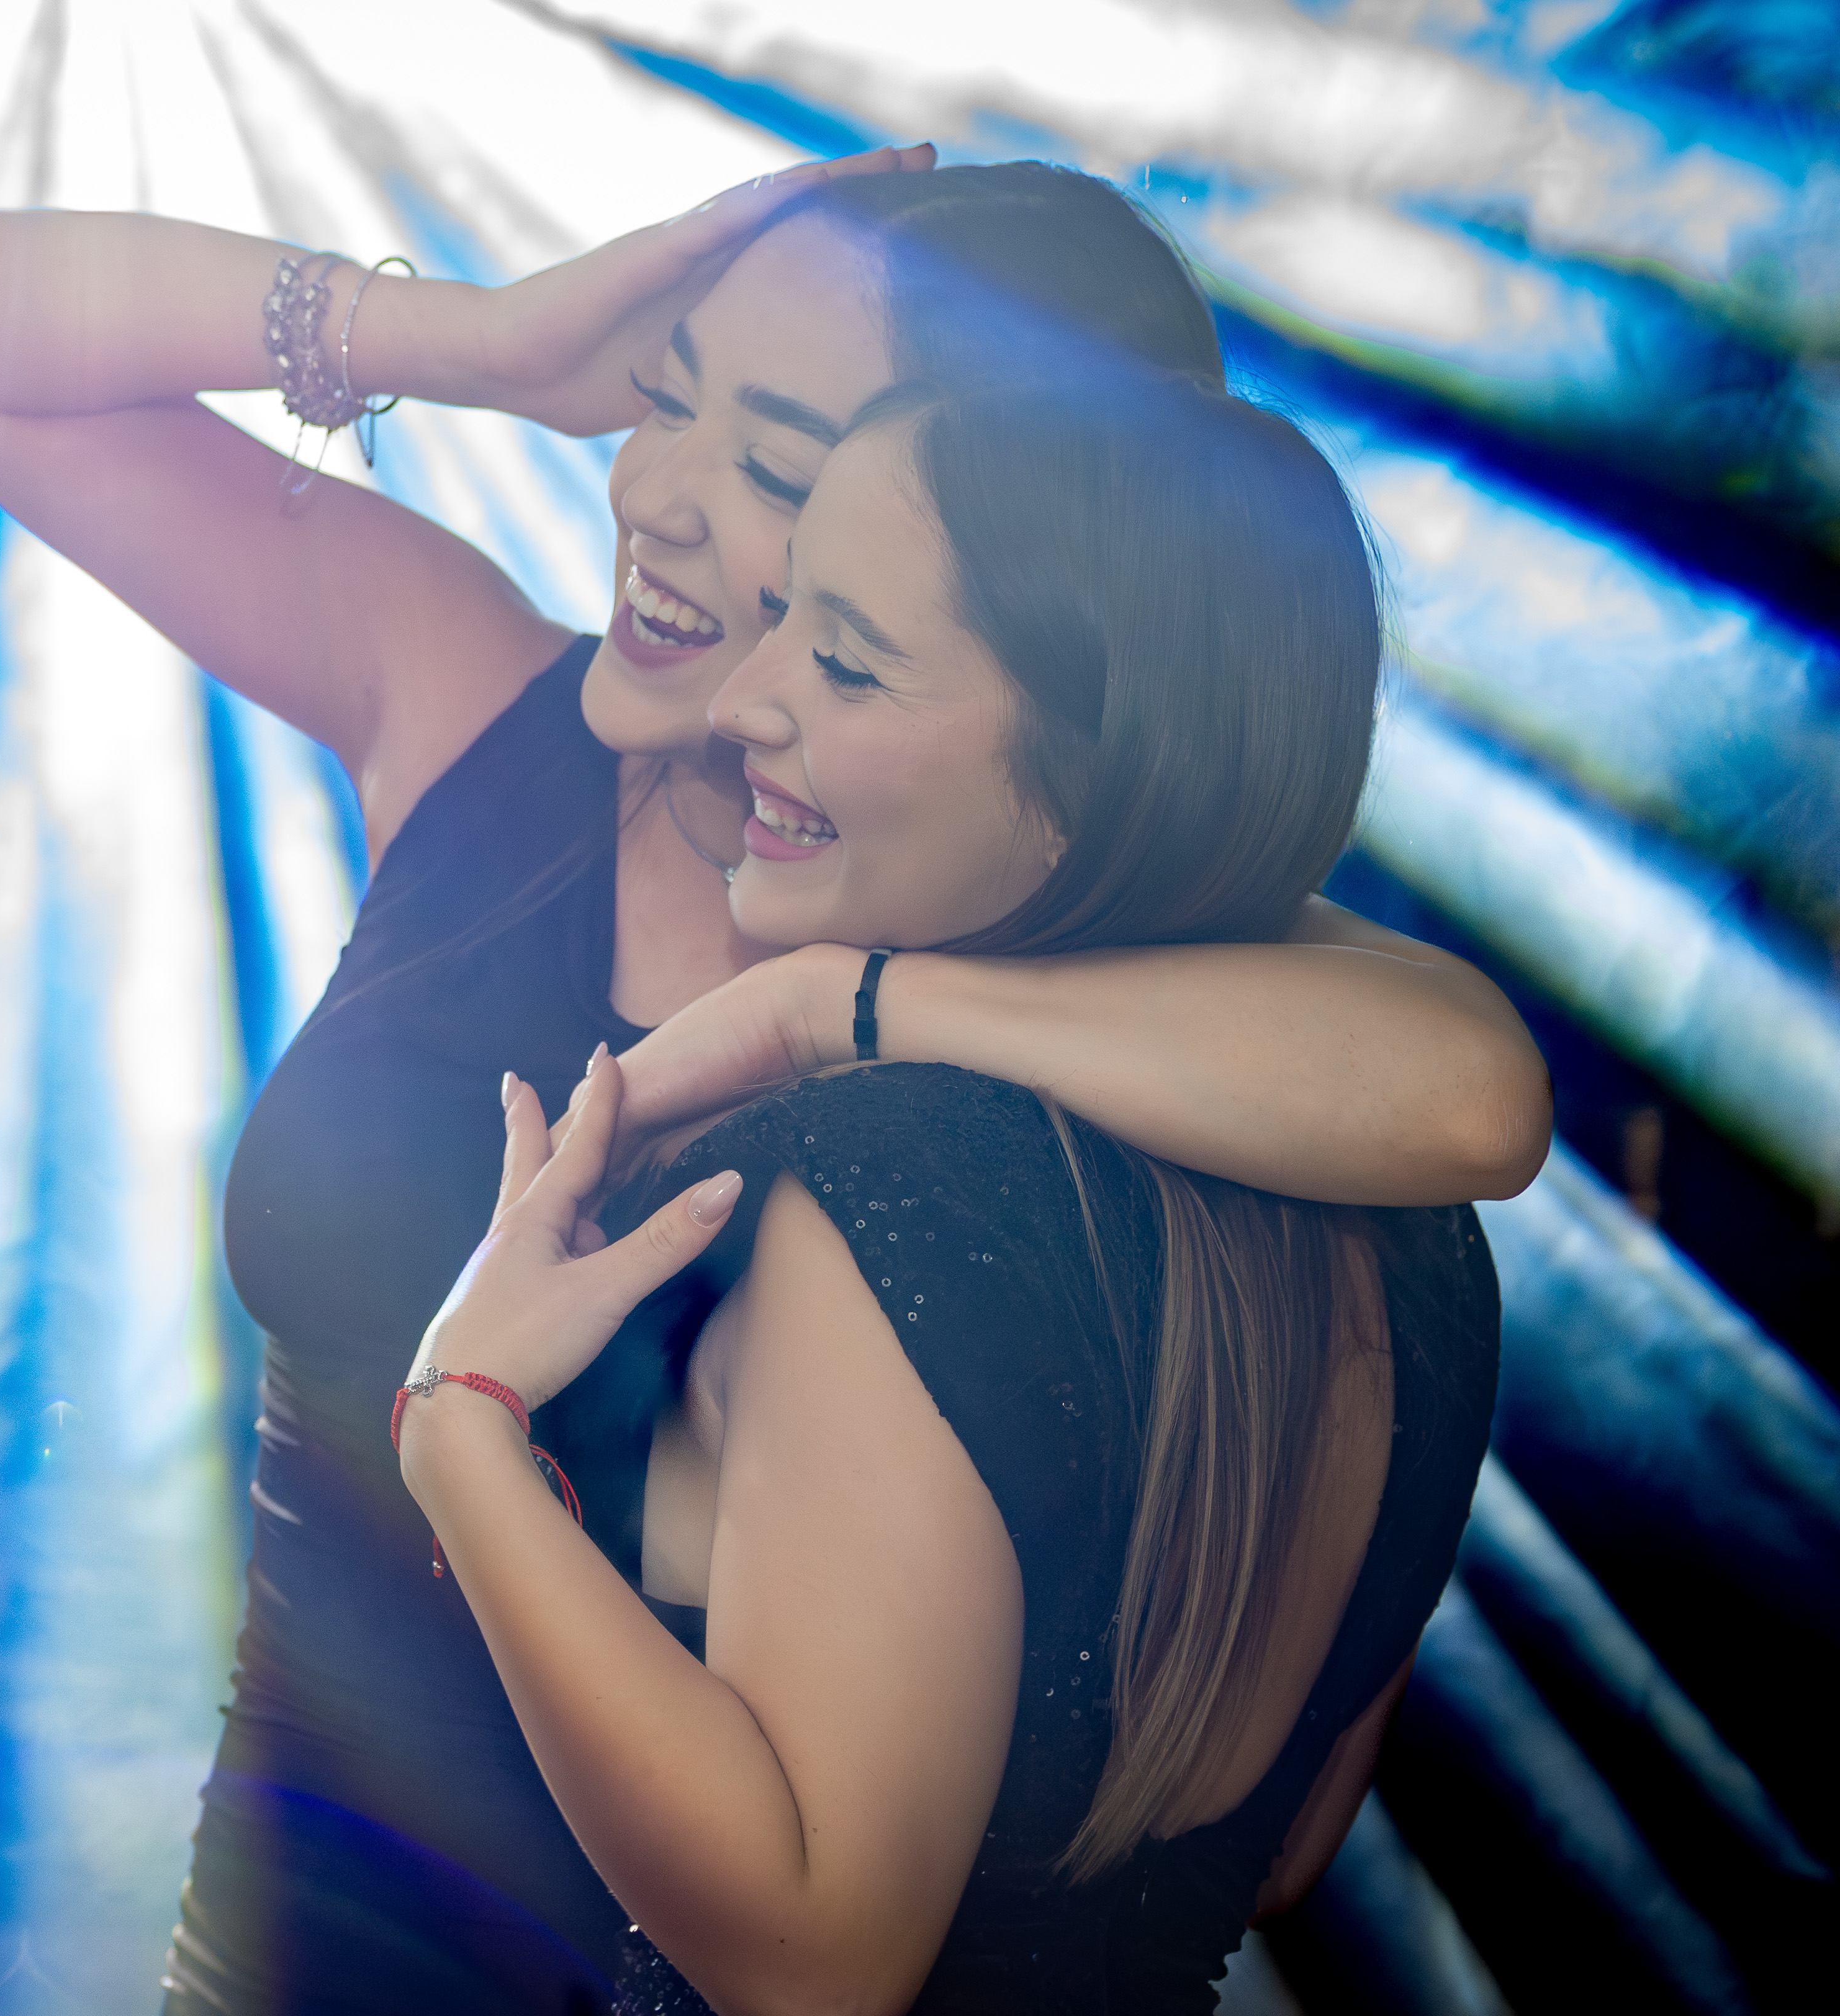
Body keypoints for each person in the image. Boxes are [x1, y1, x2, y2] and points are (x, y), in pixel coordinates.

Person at [0, 156, 1546, 2010]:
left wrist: (843, 1009)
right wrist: (479, 343)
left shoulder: (1127, 1009)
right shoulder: (477, 710)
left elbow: (1475, 1101)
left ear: (1024, 566)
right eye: (666, 398)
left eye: (777, 465)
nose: (649, 492)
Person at [402, 369, 1496, 2014]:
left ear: (1094, 773)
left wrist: (462, 1430)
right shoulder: (1423, 1248)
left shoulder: (890, 1188)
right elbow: (1277, 1855)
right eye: (786, 616)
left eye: (846, 662)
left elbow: (820, 1966)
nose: (745, 700)